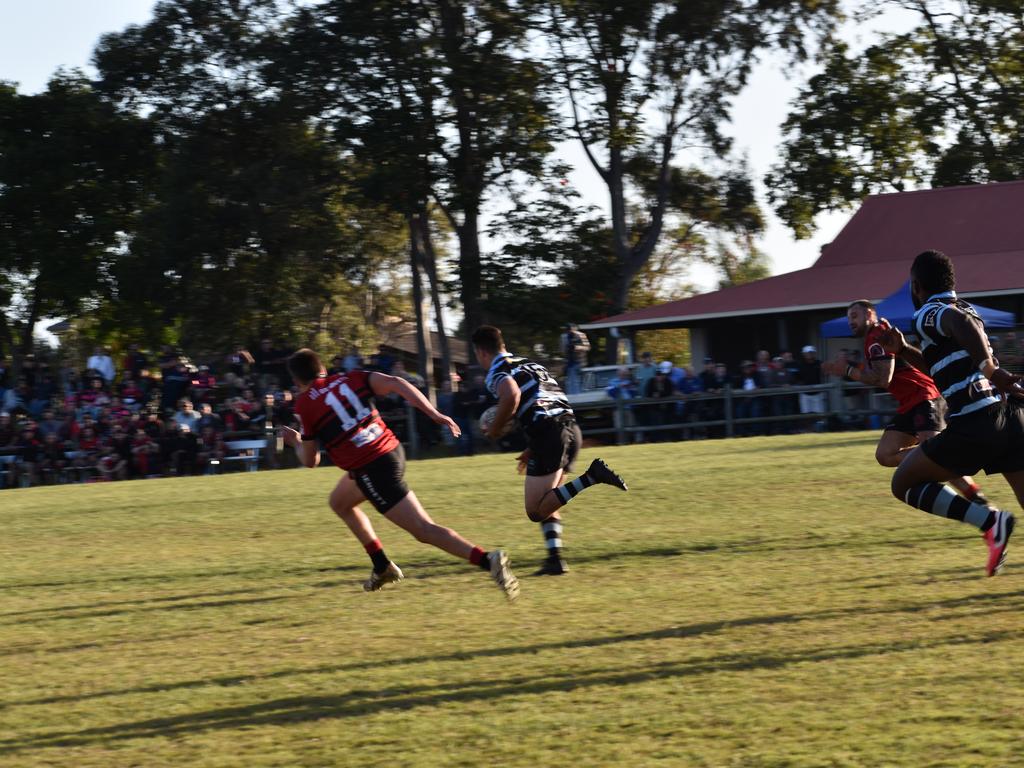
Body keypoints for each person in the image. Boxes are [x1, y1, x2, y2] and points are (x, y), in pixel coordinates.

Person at [279, 348, 519, 600]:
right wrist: (434, 413)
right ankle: (381, 565)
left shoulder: (305, 404)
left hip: (372, 467)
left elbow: (310, 460)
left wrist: (295, 441)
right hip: (391, 450)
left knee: (424, 530)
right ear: (323, 369)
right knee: (340, 502)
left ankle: (487, 560)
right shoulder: (351, 377)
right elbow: (396, 382)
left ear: (297, 382)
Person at [879, 250, 1022, 576]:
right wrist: (902, 351)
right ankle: (991, 521)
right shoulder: (965, 307)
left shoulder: (930, 312)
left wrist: (991, 369)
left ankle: (988, 519)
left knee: (903, 484)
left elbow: (959, 324)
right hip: (1010, 417)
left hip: (976, 421)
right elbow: (940, 368)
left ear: (916, 286)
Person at [471, 325, 628, 576]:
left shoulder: (497, 372)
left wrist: (494, 430)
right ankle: (555, 559)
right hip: (570, 428)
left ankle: (592, 476)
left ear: (480, 352)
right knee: (550, 499)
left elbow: (511, 396)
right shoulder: (528, 363)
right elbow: (546, 399)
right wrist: (533, 446)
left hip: (549, 433)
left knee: (535, 510)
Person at [823, 299, 988, 505]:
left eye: (855, 316)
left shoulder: (877, 335)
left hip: (924, 396)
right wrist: (850, 367)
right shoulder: (873, 337)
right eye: (849, 318)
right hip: (910, 403)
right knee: (886, 454)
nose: (851, 322)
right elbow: (877, 371)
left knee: (935, 454)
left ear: (869, 315)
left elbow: (883, 378)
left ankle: (975, 497)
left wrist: (848, 371)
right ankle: (945, 464)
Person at [560, 323, 591, 395]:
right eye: (568, 330)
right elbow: (562, 350)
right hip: (569, 362)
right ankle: (573, 395)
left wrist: (577, 347)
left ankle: (578, 395)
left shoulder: (581, 335)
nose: (570, 331)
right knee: (571, 380)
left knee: (579, 380)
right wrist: (567, 348)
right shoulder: (564, 337)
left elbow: (587, 347)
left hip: (579, 361)